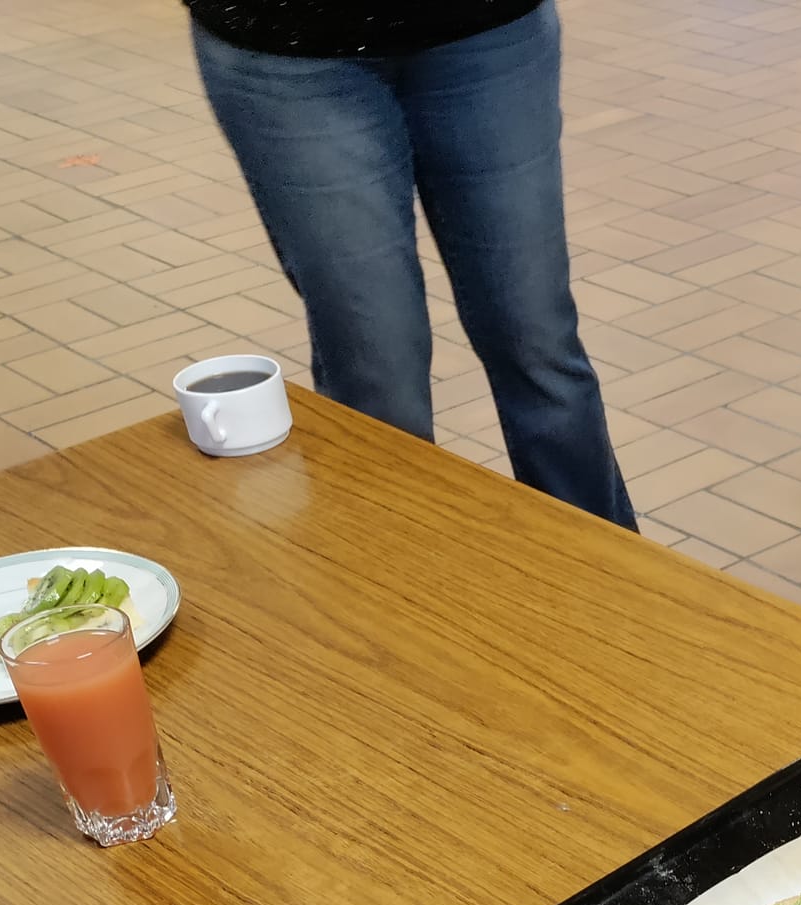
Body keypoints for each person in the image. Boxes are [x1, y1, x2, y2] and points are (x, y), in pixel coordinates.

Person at [187, 0, 635, 530]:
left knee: (536, 340)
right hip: (285, 47)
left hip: (489, 27)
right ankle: (400, 592)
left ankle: (613, 587)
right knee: (375, 374)